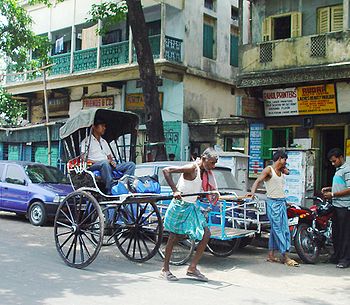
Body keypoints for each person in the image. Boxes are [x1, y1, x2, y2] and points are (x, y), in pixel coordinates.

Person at [160, 147, 219, 282]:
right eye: (212, 163)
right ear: (204, 159)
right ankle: (165, 269)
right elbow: (166, 170)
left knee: (206, 234)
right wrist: (175, 190)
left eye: (214, 163)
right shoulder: (192, 168)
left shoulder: (204, 172)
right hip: (180, 206)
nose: (213, 166)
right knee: (174, 237)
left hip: (191, 206)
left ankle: (192, 268)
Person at [247, 149, 299, 267]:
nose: (286, 162)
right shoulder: (268, 170)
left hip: (281, 202)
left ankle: (271, 255)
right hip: (273, 203)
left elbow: (288, 173)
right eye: (285, 159)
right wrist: (252, 193)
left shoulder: (280, 170)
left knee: (278, 229)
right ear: (280, 159)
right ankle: (285, 256)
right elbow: (257, 181)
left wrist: (284, 169)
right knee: (280, 230)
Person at [80, 119, 136, 195]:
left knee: (131, 165)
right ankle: (110, 187)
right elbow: (83, 159)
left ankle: (124, 184)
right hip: (93, 166)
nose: (104, 128)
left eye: (105, 126)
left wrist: (112, 162)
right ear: (94, 127)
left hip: (107, 164)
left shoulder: (104, 141)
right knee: (104, 162)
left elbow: (109, 157)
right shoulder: (86, 141)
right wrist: (101, 162)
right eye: (102, 126)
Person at [322, 148, 350, 268]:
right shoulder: (338, 170)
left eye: (334, 161)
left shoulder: (347, 169)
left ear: (340, 157)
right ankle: (337, 256)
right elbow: (341, 185)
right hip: (336, 206)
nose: (333, 164)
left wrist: (333, 194)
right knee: (336, 233)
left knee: (345, 235)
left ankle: (345, 259)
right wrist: (330, 188)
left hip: (345, 207)